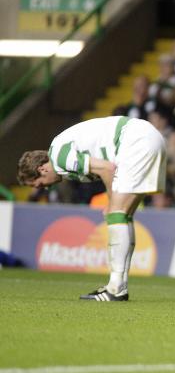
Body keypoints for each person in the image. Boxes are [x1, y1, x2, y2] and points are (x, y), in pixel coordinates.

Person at [16, 116, 167, 301]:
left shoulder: (60, 158)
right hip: (147, 137)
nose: (45, 188)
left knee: (116, 214)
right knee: (123, 217)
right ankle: (118, 285)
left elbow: (107, 169)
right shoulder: (62, 156)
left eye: (40, 184)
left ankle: (116, 288)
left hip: (135, 141)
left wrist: (111, 201)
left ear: (42, 170)